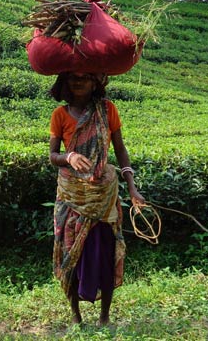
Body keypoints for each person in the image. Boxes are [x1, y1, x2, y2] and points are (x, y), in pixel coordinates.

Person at [48, 71, 145, 327]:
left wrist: (132, 187)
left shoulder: (107, 110)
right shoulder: (60, 115)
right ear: (65, 82)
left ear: (95, 82)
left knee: (105, 252)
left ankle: (104, 317)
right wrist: (68, 157)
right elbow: (52, 156)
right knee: (71, 253)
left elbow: (120, 149)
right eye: (72, 78)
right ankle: (75, 316)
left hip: (103, 195)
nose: (78, 82)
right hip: (71, 195)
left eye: (84, 78)